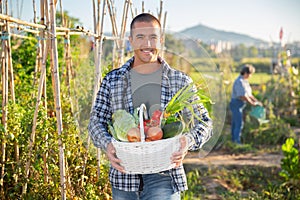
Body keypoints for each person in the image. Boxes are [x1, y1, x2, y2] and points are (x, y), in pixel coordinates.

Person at [88, 13, 213, 199]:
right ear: (130, 40)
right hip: (124, 175)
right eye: (140, 37)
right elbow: (96, 120)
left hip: (165, 175)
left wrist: (189, 141)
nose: (147, 44)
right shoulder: (112, 80)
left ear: (161, 40)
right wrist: (107, 144)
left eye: (153, 37)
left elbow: (205, 122)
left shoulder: (179, 81)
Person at [230, 64, 262, 144]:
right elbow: (242, 96)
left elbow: (249, 94)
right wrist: (252, 103)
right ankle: (236, 142)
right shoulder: (239, 82)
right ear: (246, 73)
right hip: (236, 104)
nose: (250, 76)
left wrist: (256, 101)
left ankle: (233, 140)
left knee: (236, 123)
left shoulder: (245, 81)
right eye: (250, 74)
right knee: (239, 123)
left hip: (240, 105)